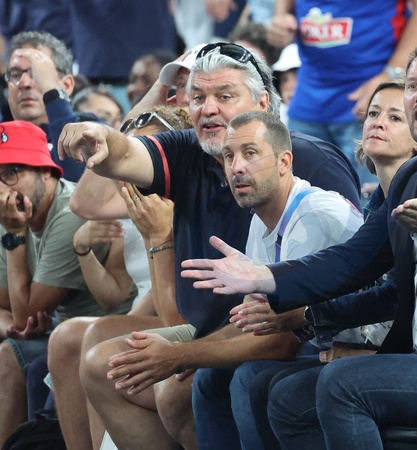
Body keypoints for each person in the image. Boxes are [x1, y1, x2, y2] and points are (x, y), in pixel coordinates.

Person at [181, 39, 417, 448]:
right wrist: (265, 277)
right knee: (286, 397)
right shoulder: (411, 177)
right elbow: (353, 260)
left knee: (342, 384)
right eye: (412, 86)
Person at [58, 42, 361, 449]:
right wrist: (102, 137)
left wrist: (184, 353)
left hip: (310, 335)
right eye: (198, 97)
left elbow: (295, 323)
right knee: (105, 364)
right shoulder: (193, 150)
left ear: (263, 104)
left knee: (184, 387)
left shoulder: (311, 165)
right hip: (225, 325)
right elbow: (119, 161)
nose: (208, 108)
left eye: (225, 96)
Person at [225, 79, 417, 450]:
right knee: (258, 382)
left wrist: (303, 313)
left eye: (396, 117)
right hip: (367, 341)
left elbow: (395, 297)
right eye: (373, 113)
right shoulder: (378, 205)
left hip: (414, 353)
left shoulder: (416, 202)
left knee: (283, 388)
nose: (378, 122)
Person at [190, 109, 363, 449]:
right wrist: (191, 352)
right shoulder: (262, 216)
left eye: (250, 153)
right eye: (229, 156)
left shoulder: (314, 216)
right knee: (210, 377)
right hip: (322, 340)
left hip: (367, 346)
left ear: (284, 162)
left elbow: (282, 343)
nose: (237, 167)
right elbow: (253, 321)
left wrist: (181, 356)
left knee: (250, 378)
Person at [48, 105, 193, 450]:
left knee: (99, 340)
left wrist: (158, 238)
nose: (132, 166)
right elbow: (114, 294)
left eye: (144, 152)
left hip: (186, 320)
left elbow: (175, 316)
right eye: (130, 153)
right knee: (71, 335)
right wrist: (83, 251)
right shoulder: (135, 205)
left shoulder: (185, 203)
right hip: (154, 310)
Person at [0, 121, 113, 445]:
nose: (2, 188)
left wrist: (14, 234)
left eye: (12, 172)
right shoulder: (9, 212)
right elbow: (12, 308)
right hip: (57, 331)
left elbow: (24, 313)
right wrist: (12, 325)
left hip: (102, 328)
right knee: (15, 348)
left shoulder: (69, 213)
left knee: (10, 355)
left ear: (46, 173)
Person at [268, 0, 417, 186]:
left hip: (368, 109)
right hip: (307, 104)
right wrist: (281, 16)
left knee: (371, 201)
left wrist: (391, 73)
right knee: (298, 201)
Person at [4, 31, 93, 181]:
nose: (24, 83)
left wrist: (53, 94)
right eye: (15, 75)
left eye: (37, 73)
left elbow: (76, 182)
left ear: (66, 85)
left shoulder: (92, 130)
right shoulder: (3, 137)